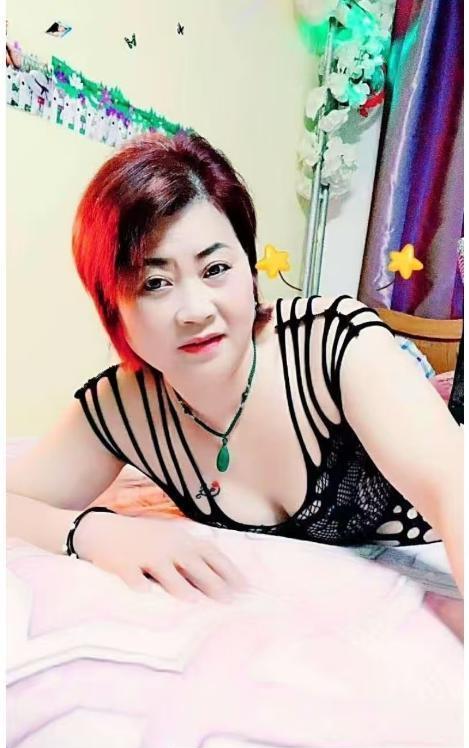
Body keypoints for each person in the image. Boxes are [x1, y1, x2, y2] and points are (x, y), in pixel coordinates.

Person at [6, 131, 463, 602]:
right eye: (155, 283)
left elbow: (456, 487)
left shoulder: (333, 344)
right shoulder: (123, 407)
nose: (195, 310)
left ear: (250, 270)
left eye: (215, 269)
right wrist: (93, 532)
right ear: (112, 308)